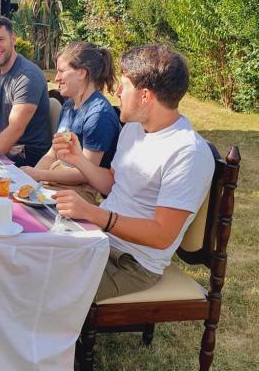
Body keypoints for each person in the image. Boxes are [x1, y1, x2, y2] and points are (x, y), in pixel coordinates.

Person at [53, 44, 215, 302]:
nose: (116, 91)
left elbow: (162, 235)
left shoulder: (187, 153)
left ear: (145, 96)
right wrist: (79, 161)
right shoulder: (134, 128)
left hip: (132, 263)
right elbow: (113, 184)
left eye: (124, 85)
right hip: (100, 240)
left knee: (46, 288)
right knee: (29, 258)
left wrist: (93, 214)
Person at [21, 41, 120, 202]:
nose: (56, 78)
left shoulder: (98, 115)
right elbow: (52, 153)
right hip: (58, 182)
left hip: (82, 193)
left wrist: (39, 175)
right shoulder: (69, 105)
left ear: (81, 73)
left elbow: (85, 174)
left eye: (61, 71)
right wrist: (28, 181)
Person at [0, 15, 51, 167]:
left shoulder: (28, 76)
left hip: (27, 158)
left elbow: (15, 129)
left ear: (13, 39)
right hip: (3, 149)